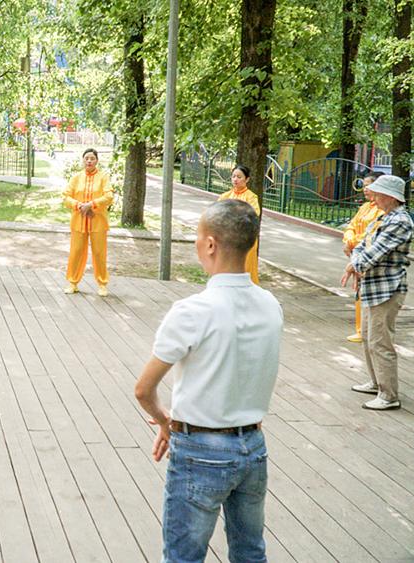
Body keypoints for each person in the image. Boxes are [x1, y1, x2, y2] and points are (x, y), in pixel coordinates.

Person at [134, 199, 283, 562]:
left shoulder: (193, 310)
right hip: (253, 446)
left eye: (198, 239)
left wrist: (167, 421)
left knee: (184, 556)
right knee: (250, 551)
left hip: (200, 449)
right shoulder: (270, 305)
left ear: (212, 244)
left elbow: (143, 389)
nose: (197, 246)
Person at [342, 174, 412, 411]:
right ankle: (376, 382)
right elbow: (362, 244)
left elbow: (376, 252)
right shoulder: (383, 217)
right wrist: (355, 260)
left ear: (390, 196)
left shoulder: (400, 220)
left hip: (387, 288)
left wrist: (355, 265)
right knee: (369, 339)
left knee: (381, 342)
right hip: (373, 287)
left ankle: (389, 394)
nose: (374, 195)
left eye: (378, 192)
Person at [63, 148, 114, 296]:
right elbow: (66, 197)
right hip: (79, 221)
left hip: (97, 220)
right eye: (87, 158)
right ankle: (73, 283)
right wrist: (80, 206)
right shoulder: (76, 178)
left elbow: (109, 196)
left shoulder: (103, 177)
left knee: (99, 253)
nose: (89, 161)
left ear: (97, 160)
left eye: (92, 158)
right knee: (76, 252)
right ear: (83, 160)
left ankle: (102, 284)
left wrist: (91, 205)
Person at [341, 171, 384, 343]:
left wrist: (354, 242)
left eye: (369, 186)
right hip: (356, 254)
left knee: (366, 291)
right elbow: (351, 226)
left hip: (367, 256)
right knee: (358, 291)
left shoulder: (381, 210)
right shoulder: (364, 207)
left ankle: (367, 330)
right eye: (364, 186)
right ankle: (360, 328)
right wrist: (348, 238)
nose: (365, 189)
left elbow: (372, 234)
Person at [218, 165, 261, 284]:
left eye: (239, 177)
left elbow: (253, 214)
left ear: (247, 179)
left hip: (246, 239)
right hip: (228, 238)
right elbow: (217, 214)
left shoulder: (251, 197)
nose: (235, 179)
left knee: (245, 267)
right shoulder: (225, 197)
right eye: (233, 176)